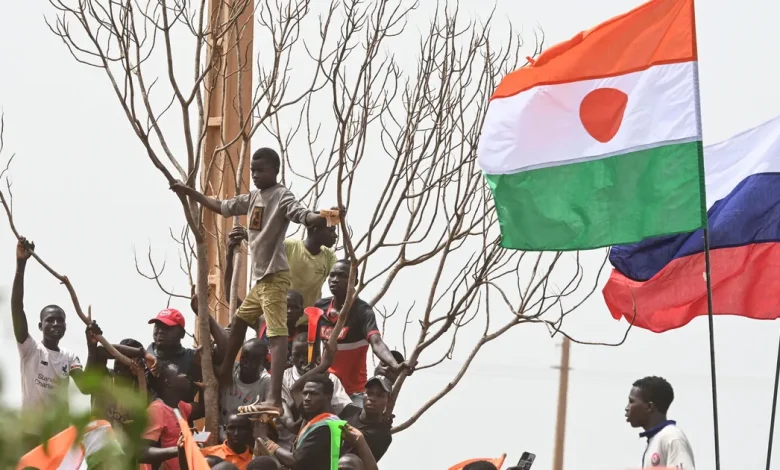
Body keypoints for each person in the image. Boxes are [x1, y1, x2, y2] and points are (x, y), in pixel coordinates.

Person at [171, 147, 329, 415]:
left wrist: (322, 216)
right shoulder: (254, 196)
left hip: (275, 277)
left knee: (277, 338)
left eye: (261, 170)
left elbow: (303, 215)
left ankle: (274, 399)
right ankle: (223, 371)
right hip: (260, 282)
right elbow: (222, 206)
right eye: (253, 170)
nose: (255, 175)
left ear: (275, 171)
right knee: (241, 321)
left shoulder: (281, 196)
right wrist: (190, 193)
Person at [11, 238, 89, 443]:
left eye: (60, 320)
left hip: (59, 436)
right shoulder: (30, 349)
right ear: (40, 326)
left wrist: (92, 345)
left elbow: (86, 387)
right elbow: (17, 308)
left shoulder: (69, 356)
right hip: (30, 434)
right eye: (49, 320)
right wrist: (21, 264)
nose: (55, 323)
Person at [315, 259, 408, 406]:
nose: (335, 280)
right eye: (332, 275)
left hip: (353, 393)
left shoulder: (362, 312)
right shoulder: (319, 308)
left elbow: (376, 342)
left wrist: (394, 365)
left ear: (355, 281)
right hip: (325, 389)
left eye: (342, 276)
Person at [256, 374, 343, 470]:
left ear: (328, 397)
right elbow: (295, 390)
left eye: (313, 394)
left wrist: (265, 439)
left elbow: (295, 461)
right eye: (305, 393)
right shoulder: (316, 420)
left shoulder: (325, 426)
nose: (307, 398)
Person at [140, 362, 204, 469]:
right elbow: (142, 452)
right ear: (168, 382)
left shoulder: (179, 406)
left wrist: (203, 388)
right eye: (179, 373)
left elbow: (203, 409)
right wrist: (178, 450)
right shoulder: (157, 410)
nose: (185, 375)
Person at [625, 376, 695, 469]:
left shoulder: (672, 437)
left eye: (631, 401)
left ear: (649, 407)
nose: (627, 407)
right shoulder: (656, 439)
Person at [219, 339, 272, 440]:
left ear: (264, 363)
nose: (246, 364)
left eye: (253, 361)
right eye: (243, 359)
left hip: (244, 439)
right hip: (219, 431)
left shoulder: (266, 382)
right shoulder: (232, 369)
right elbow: (222, 348)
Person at [146, 308, 202, 402]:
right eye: (157, 326)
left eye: (167, 328)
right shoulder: (144, 358)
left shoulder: (192, 358)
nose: (160, 331)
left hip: (179, 415)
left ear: (182, 334)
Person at [285, 225, 338, 312]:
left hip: (309, 320)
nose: (335, 235)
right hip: (281, 317)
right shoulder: (289, 247)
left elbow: (342, 276)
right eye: (331, 231)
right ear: (315, 229)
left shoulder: (328, 255)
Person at [340, 376, 392, 462]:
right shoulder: (349, 411)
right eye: (369, 393)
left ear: (388, 400)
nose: (372, 398)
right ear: (363, 394)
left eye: (379, 395)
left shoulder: (382, 435)